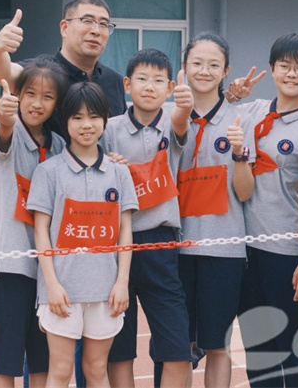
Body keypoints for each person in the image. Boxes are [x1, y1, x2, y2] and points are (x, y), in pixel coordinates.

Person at [28, 82, 136, 388]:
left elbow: (125, 231)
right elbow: (41, 231)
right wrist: (52, 286)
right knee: (61, 371)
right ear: (65, 122)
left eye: (94, 116)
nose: (86, 125)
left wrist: (122, 283)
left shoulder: (120, 172)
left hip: (106, 291)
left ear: (105, 120)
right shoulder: (48, 172)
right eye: (77, 117)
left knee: (97, 370)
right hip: (62, 292)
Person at [235, 32, 298, 388]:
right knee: (258, 348)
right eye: (284, 65)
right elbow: (213, 117)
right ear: (272, 68)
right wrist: (231, 95)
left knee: (291, 346)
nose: (291, 73)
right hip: (243, 248)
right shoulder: (252, 110)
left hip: (283, 253)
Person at [103, 49, 194, 388]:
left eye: (158, 80)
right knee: (119, 350)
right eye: (142, 79)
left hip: (161, 245)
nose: (149, 86)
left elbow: (181, 121)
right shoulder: (108, 129)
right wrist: (107, 165)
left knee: (176, 348)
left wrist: (184, 105)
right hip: (115, 248)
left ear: (170, 88)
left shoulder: (172, 123)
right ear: (127, 85)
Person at [0, 57, 68, 388]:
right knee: (6, 362)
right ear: (18, 95)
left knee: (43, 362)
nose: (37, 103)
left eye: (48, 97)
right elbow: (4, 131)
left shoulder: (61, 147)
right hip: (9, 269)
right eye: (30, 94)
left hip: (48, 275)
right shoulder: (11, 133)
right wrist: (4, 118)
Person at [177, 32, 255, 388]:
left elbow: (245, 192)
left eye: (213, 65)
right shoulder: (168, 117)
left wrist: (239, 155)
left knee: (217, 345)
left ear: (225, 71)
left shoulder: (240, 119)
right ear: (184, 67)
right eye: (197, 63)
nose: (204, 71)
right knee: (177, 345)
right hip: (175, 248)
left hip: (224, 249)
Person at [0, 0, 127, 128]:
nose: (96, 31)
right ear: (64, 28)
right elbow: (2, 73)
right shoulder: (39, 73)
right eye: (87, 21)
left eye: (103, 24)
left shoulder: (115, 81)